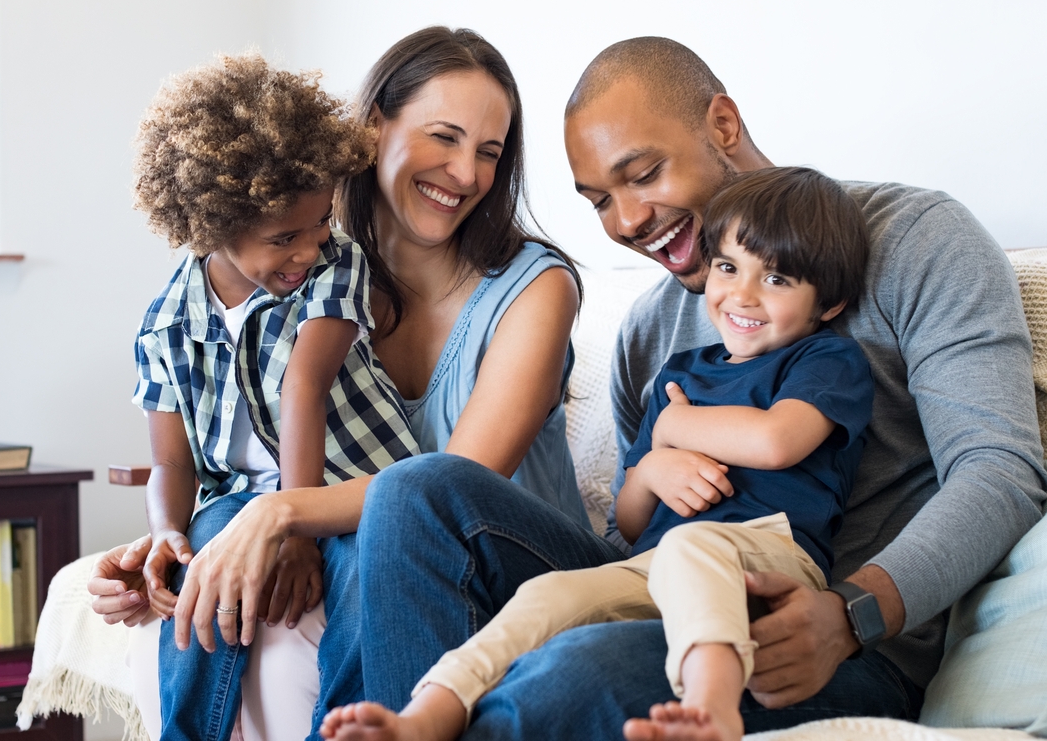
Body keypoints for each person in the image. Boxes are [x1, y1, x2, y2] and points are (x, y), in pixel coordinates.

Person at [334, 36, 1047, 740]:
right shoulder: (650, 332)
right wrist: (651, 470)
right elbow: (631, 533)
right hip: (664, 586)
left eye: (642, 174)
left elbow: (998, 472)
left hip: (828, 640)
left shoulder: (917, 240)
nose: (628, 222)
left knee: (574, 672)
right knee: (414, 491)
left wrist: (851, 615)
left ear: (723, 126)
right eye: (598, 202)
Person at [89, 27, 607, 741]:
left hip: (504, 569)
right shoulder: (307, 270)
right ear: (371, 130)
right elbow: (228, 443)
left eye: (489, 152)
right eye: (444, 138)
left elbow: (452, 487)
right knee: (226, 574)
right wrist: (170, 541)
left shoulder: (535, 290)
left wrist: (280, 514)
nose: (465, 173)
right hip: (375, 548)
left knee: (384, 523)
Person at [319, 166, 874, 741]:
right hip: (652, 565)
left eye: (777, 280)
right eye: (729, 267)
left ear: (828, 303)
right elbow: (631, 522)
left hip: (770, 558)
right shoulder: (681, 374)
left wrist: (676, 427)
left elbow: (776, 440)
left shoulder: (824, 360)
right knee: (548, 595)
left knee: (691, 544)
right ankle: (427, 715)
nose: (743, 295)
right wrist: (654, 464)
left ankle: (713, 708)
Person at [129, 55, 420, 741]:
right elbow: (172, 464)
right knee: (205, 559)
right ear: (211, 227)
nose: (308, 248)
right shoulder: (166, 324)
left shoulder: (334, 263)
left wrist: (295, 527)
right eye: (283, 238)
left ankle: (347, 729)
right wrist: (168, 531)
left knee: (362, 573)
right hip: (238, 499)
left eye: (319, 222)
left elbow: (304, 387)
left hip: (355, 486)